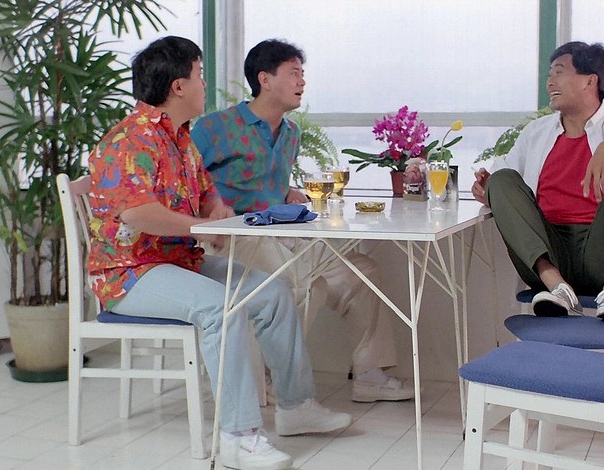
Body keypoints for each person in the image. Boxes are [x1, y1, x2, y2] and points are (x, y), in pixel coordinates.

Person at [86, 36, 351, 470]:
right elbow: (136, 212)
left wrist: (216, 210)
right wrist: (202, 227)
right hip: (128, 273)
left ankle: (296, 406)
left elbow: (207, 193)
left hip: (177, 263)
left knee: (272, 292)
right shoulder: (130, 139)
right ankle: (239, 437)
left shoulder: (181, 140)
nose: (205, 84)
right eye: (200, 75)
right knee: (221, 307)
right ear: (178, 86)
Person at [192, 39, 415, 403]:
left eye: (302, 73)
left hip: (282, 234)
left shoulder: (291, 134)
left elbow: (266, 183)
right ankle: (269, 376)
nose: (302, 81)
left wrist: (287, 193)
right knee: (301, 283)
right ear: (265, 79)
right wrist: (212, 204)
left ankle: (370, 375)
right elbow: (185, 180)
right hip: (235, 238)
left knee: (360, 272)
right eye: (293, 73)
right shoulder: (215, 127)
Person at [471, 41, 604, 324]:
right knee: (501, 180)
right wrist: (486, 189)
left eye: (559, 72)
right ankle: (558, 289)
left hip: (602, 250)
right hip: (549, 253)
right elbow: (502, 182)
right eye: (549, 75)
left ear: (590, 81)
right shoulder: (536, 132)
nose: (550, 82)